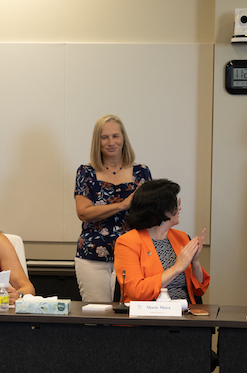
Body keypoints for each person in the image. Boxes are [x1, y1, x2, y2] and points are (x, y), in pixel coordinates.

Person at [74, 115, 151, 302]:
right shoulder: (86, 172)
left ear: (123, 138)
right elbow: (83, 212)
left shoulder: (141, 172)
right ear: (97, 142)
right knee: (97, 317)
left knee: (131, 317)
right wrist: (123, 205)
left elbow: (149, 214)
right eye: (104, 137)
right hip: (94, 255)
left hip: (134, 254)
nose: (111, 142)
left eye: (115, 136)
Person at [114, 179, 209, 303]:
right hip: (147, 318)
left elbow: (199, 290)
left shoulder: (182, 238)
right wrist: (177, 268)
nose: (180, 208)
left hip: (184, 317)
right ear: (161, 208)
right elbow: (137, 292)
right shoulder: (127, 242)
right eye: (176, 203)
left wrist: (195, 261)